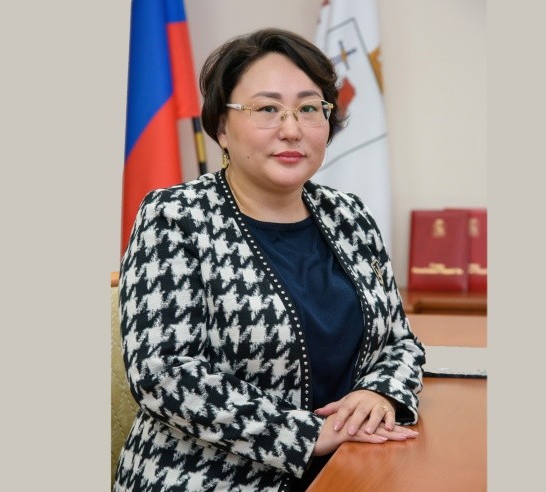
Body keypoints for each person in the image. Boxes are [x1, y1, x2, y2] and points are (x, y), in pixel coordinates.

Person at [114, 27, 426, 492]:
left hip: (351, 468)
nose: (292, 129)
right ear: (221, 126)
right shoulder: (175, 217)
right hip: (207, 478)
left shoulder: (350, 216)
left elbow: (400, 343)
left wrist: (378, 392)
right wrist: (305, 434)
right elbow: (164, 373)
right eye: (267, 109)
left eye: (309, 108)